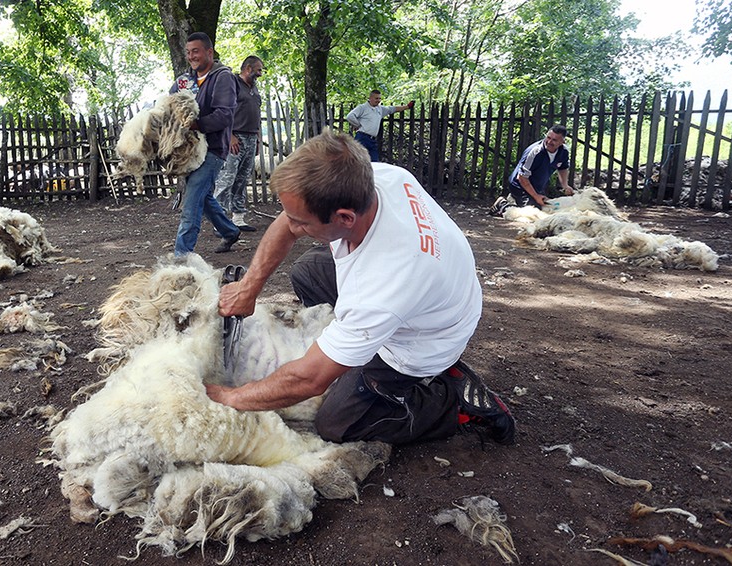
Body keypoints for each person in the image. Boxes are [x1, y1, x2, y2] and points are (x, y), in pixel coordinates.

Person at [206, 129, 515, 446]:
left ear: (344, 217)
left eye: (302, 222)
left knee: (338, 422)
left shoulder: (385, 282)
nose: (292, 227)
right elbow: (287, 221)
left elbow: (310, 379)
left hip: (424, 341)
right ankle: (350, 344)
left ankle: (450, 402)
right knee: (307, 272)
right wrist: (250, 287)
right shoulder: (375, 177)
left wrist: (231, 397)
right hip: (433, 296)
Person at [169, 32, 241, 255]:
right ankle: (230, 231)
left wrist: (193, 125)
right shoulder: (184, 81)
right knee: (203, 197)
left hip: (212, 150)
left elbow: (224, 116)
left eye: (196, 51)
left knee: (191, 203)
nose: (191, 56)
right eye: (188, 52)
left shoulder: (223, 77)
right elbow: (170, 104)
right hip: (190, 151)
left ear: (209, 52)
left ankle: (181, 257)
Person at [213, 55, 264, 232]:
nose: (260, 74)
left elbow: (255, 114)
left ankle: (238, 218)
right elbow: (224, 110)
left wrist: (257, 139)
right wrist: (230, 135)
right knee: (226, 178)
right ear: (248, 68)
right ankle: (219, 223)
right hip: (234, 137)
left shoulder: (254, 88)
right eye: (258, 70)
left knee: (242, 179)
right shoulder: (233, 84)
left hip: (251, 138)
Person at [490, 124, 573, 216]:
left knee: (548, 208)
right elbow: (521, 177)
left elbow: (563, 168)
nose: (549, 142)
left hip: (537, 187)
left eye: (554, 140)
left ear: (562, 142)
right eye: (548, 137)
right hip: (519, 186)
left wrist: (565, 185)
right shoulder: (535, 152)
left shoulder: (564, 151)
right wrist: (536, 196)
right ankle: (503, 205)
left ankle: (519, 200)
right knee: (532, 212)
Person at [345, 90, 414, 162]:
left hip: (372, 140)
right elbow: (350, 116)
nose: (378, 100)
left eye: (379, 98)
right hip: (362, 138)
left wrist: (407, 107)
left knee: (375, 162)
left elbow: (393, 109)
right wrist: (358, 125)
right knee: (359, 161)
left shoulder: (380, 109)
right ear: (370, 98)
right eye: (376, 98)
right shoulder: (362, 108)